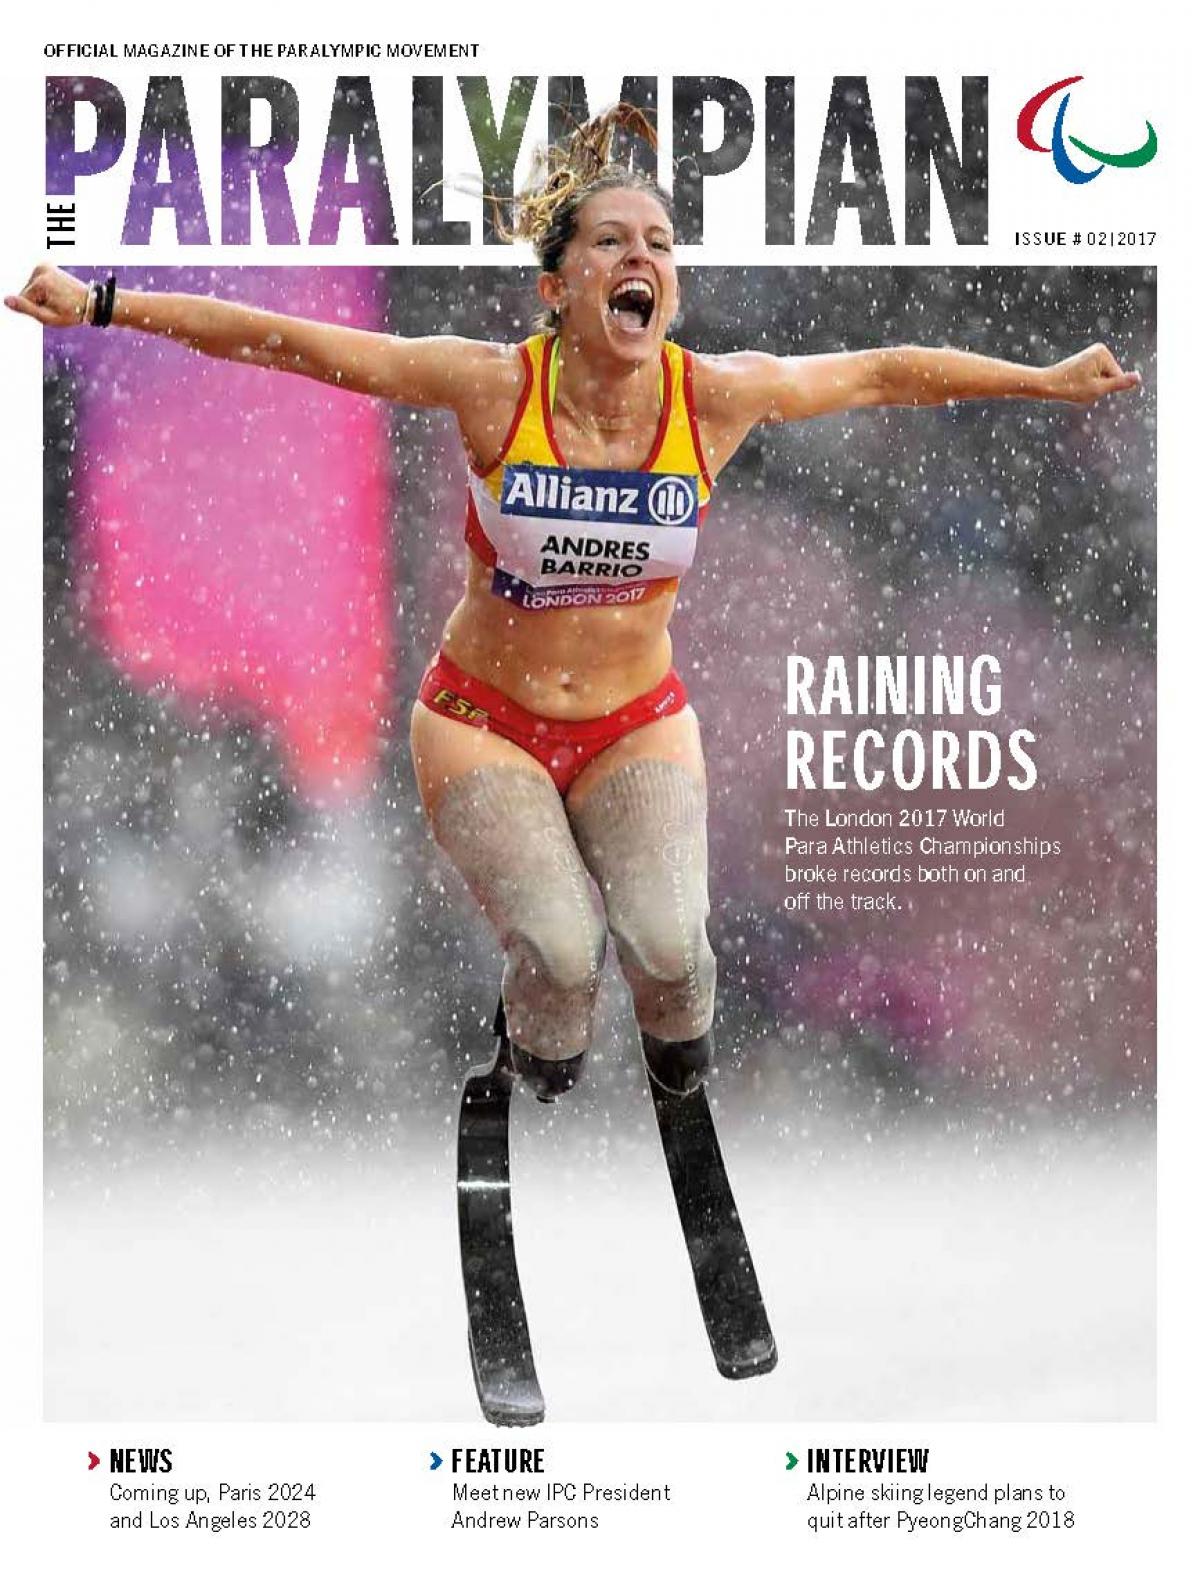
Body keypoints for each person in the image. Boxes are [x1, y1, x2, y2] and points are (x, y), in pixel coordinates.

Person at [8, 106, 1141, 1106]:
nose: (641, 257)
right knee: (561, 951)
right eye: (611, 242)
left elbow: (887, 372)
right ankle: (535, 1059)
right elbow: (292, 344)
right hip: (484, 721)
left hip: (633, 723)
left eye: (658, 243)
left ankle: (676, 1073)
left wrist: (1042, 381)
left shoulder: (717, 396)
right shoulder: (494, 384)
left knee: (673, 952)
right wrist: (103, 300)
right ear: (559, 287)